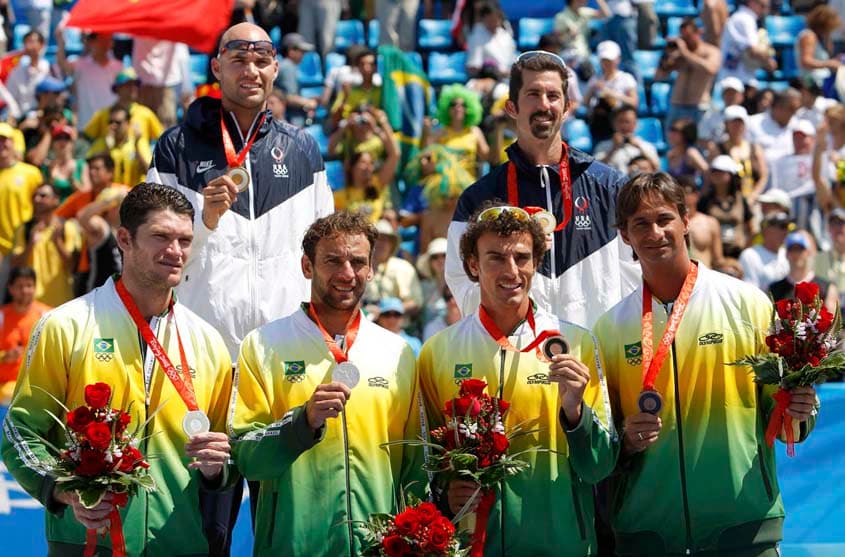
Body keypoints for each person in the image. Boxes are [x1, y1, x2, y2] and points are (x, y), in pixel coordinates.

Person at [1, 183, 235, 555]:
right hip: (86, 543)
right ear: (124, 239)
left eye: (185, 240)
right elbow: (20, 431)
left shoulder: (208, 342)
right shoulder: (67, 325)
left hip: (178, 542)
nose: (175, 251)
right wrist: (63, 489)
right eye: (161, 237)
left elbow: (227, 455)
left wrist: (218, 467)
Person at [594, 171, 818, 556]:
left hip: (743, 530)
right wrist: (624, 440)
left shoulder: (747, 304)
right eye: (640, 224)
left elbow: (784, 424)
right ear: (624, 235)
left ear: (685, 220)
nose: (655, 232)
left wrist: (800, 409)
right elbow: (602, 445)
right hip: (649, 535)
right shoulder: (610, 328)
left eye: (664, 219)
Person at [420, 202, 616, 555]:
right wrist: (446, 494)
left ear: (536, 263)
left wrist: (575, 413)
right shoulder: (439, 352)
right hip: (475, 547)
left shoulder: (577, 343)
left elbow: (600, 466)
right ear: (473, 265)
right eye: (495, 257)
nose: (511, 270)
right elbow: (426, 463)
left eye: (522, 258)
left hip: (561, 544)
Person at [230, 210, 424, 555]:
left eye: (357, 262)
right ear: (308, 266)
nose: (347, 273)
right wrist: (301, 423)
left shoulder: (398, 352)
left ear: (372, 268)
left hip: (377, 547)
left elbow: (413, 467)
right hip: (295, 546)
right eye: (332, 261)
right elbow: (246, 456)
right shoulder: (263, 345)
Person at [147, 22, 333, 359]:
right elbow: (152, 249)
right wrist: (204, 223)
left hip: (285, 346)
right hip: (203, 344)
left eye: (261, 61)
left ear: (275, 69)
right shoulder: (176, 148)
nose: (251, 71)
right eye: (238, 60)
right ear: (217, 68)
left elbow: (324, 249)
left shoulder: (303, 149)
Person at [446, 50, 639, 329]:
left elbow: (635, 274)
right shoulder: (480, 199)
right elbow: (461, 280)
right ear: (512, 107)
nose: (544, 105)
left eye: (553, 96)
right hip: (517, 358)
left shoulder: (609, 187)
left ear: (567, 106)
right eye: (533, 94)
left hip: (595, 355)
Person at [10, 183, 81, 307]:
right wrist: (30, 244)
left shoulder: (67, 227)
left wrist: (57, 242)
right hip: (32, 305)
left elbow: (72, 265)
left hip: (61, 304)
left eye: (43, 196)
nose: (37, 199)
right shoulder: (24, 229)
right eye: (35, 196)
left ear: (56, 200)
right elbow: (15, 264)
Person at [654, 18, 722, 128]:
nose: (686, 40)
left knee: (699, 143)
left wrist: (685, 53)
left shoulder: (711, 51)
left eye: (688, 36)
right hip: (677, 105)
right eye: (683, 37)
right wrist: (665, 57)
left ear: (698, 33)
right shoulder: (679, 54)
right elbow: (658, 77)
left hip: (698, 106)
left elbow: (711, 69)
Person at [54, 22, 122, 131]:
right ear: (92, 42)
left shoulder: (119, 67)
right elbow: (62, 64)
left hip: (110, 127)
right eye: (100, 40)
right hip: (86, 127)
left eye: (107, 40)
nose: (104, 44)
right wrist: (60, 41)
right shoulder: (80, 65)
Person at [0, 123, 44, 291]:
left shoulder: (30, 173)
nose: (1, 145)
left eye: (5, 140)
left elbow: (43, 205)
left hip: (27, 243)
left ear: (13, 143)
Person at [0, 266, 50, 404]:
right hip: (4, 391)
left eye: (29, 286)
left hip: (37, 389)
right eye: (20, 286)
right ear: (10, 288)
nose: (25, 291)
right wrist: (5, 356)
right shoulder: (2, 317)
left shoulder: (47, 316)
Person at [83, 67, 164, 145]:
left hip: (139, 159)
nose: (133, 88)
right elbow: (85, 140)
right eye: (128, 84)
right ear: (117, 88)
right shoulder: (102, 114)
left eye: (135, 84)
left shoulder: (146, 113)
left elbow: (161, 139)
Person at [427, 84, 490, 180]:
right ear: (447, 109)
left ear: (469, 108)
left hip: (468, 185)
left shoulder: (474, 131)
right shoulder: (439, 132)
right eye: (453, 105)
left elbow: (487, 157)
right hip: (444, 184)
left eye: (463, 105)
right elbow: (427, 159)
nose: (458, 108)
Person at [769, 230, 839, 313]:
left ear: (808, 252)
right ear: (786, 253)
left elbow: (833, 323)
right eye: (792, 249)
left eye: (800, 249)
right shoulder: (774, 289)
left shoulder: (826, 288)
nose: (796, 254)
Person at [698, 155, 752, 259]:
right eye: (714, 172)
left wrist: (744, 252)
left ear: (731, 175)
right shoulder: (705, 201)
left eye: (721, 172)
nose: (717, 175)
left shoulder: (741, 200)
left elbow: (751, 229)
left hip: (738, 255)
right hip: (713, 256)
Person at [87, 105, 152, 189]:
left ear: (128, 123)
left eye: (118, 122)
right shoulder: (101, 144)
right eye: (110, 122)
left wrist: (137, 149)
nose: (113, 126)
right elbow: (93, 174)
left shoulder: (139, 143)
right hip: (110, 197)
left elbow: (148, 172)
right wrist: (107, 149)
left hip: (134, 196)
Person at [365, 220, 423, 316]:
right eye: (377, 239)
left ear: (392, 244)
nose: (380, 244)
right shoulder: (358, 266)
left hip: (395, 326)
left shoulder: (403, 267)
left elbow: (416, 303)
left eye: (385, 239)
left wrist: (386, 311)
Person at [585, 41, 639, 143]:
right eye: (604, 60)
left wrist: (611, 94)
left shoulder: (626, 78)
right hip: (600, 126)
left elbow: (634, 102)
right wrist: (592, 90)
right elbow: (586, 103)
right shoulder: (595, 79)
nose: (607, 63)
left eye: (609, 60)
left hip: (620, 126)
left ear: (617, 59)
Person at [715, 105, 769, 206]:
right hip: (727, 203)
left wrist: (753, 196)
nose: (737, 126)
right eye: (733, 122)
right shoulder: (718, 149)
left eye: (740, 122)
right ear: (726, 124)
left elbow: (763, 175)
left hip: (751, 201)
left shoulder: (755, 148)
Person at [720, 0, 777, 85]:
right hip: (735, 81)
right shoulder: (744, 19)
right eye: (763, 6)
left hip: (740, 78)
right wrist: (769, 61)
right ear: (752, 2)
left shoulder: (745, 18)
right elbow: (753, 50)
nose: (765, 10)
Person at [594, 104, 661, 174]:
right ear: (613, 123)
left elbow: (657, 167)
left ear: (635, 123)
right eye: (621, 121)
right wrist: (613, 148)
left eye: (628, 121)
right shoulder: (602, 146)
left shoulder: (646, 146)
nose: (625, 125)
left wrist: (639, 147)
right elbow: (596, 169)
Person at [747, 87, 802, 165]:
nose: (794, 113)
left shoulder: (798, 125)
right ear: (778, 106)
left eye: (796, 109)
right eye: (792, 109)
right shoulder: (752, 123)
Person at [274, 33, 318, 127]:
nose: (303, 55)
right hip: (290, 120)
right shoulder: (288, 67)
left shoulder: (286, 65)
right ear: (291, 50)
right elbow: (289, 98)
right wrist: (309, 103)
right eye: (301, 51)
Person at [739, 210, 791, 290]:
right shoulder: (750, 255)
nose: (786, 231)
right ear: (766, 229)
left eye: (788, 227)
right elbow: (750, 290)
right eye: (782, 226)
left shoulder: (789, 253)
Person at [795, 5, 842, 90]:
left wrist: (827, 37)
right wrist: (829, 63)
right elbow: (806, 61)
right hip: (812, 82)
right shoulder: (809, 36)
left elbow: (829, 53)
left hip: (823, 80)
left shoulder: (821, 38)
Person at [465, 2, 516, 78]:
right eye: (490, 19)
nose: (494, 22)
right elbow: (473, 67)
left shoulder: (506, 33)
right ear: (483, 18)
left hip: (510, 79)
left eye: (496, 18)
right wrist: (490, 71)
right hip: (487, 80)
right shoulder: (476, 35)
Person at [5, 30, 50, 115]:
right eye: (26, 42)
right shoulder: (16, 71)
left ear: (41, 45)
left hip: (44, 117)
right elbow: (10, 97)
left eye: (32, 42)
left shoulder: (49, 68)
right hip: (22, 117)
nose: (29, 46)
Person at [681, 176, 723, 267]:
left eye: (687, 191)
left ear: (696, 195)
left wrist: (732, 263)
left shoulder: (710, 223)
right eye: (679, 193)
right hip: (677, 278)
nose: (683, 196)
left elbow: (718, 260)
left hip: (703, 276)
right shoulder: (669, 224)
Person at [42, 124, 89, 201]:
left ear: (72, 143)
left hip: (73, 210)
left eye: (66, 138)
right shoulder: (48, 167)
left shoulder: (81, 165)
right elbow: (43, 195)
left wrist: (74, 183)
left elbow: (87, 195)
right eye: (58, 138)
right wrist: (50, 177)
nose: (62, 141)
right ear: (52, 143)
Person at [815, 208, 845, 309]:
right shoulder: (817, 259)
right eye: (833, 224)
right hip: (827, 313)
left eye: (841, 223)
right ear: (828, 229)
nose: (837, 228)